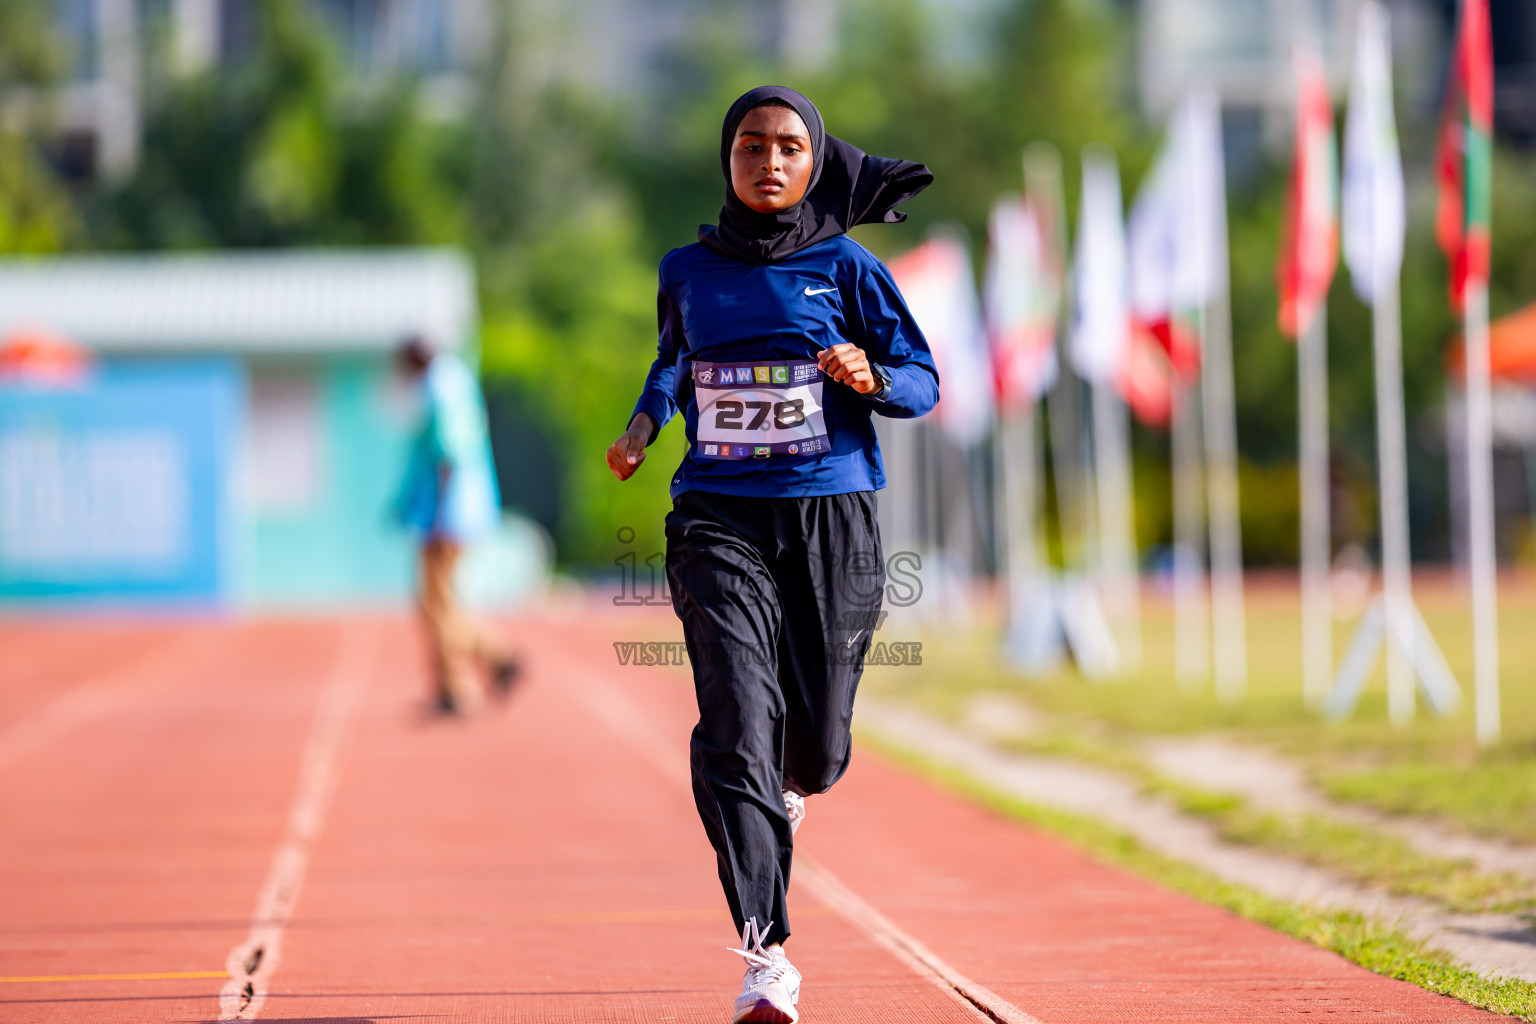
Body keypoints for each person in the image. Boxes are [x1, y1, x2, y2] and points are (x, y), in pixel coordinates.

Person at [606, 86, 937, 1024]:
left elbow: (923, 379)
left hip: (832, 519)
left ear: (812, 162)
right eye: (751, 145)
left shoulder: (848, 267)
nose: (769, 160)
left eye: (789, 146)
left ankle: (786, 788)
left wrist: (873, 376)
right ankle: (766, 954)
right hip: (717, 518)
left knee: (816, 750)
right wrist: (642, 427)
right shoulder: (687, 269)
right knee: (737, 723)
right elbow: (671, 363)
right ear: (729, 160)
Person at [394, 334, 519, 714]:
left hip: (447, 511)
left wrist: (438, 513)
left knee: (436, 603)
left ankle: (491, 661)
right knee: (439, 600)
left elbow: (447, 451)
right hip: (457, 507)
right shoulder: (455, 378)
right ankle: (454, 685)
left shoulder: (438, 387)